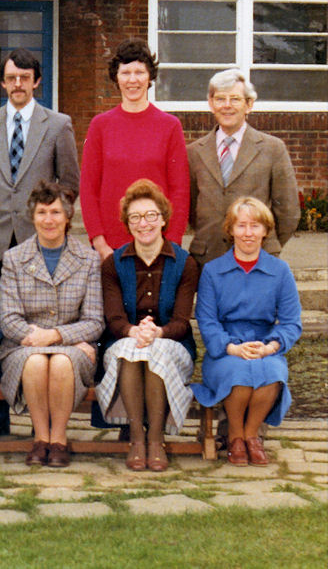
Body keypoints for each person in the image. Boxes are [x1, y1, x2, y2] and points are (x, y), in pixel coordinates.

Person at [0, 47, 80, 440]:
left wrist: (49, 220)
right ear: (2, 83)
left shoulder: (58, 124)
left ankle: (46, 417)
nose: (18, 85)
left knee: (39, 323)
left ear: (37, 81)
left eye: (25, 78)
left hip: (41, 241)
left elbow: (69, 183)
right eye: (11, 78)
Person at [0, 181, 104, 468]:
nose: (49, 220)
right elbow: (9, 320)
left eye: (56, 212)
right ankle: (40, 439)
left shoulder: (89, 260)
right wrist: (42, 339)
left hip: (71, 348)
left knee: (59, 362)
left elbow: (94, 321)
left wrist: (55, 336)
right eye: (42, 212)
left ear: (68, 216)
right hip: (23, 345)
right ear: (32, 217)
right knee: (34, 362)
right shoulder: (14, 259)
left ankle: (59, 439)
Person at [95, 180, 199, 471]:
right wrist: (135, 331)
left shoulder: (185, 263)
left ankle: (155, 438)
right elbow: (114, 320)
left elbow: (181, 322)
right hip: (126, 341)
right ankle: (137, 439)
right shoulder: (113, 264)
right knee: (131, 351)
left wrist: (157, 332)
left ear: (163, 218)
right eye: (136, 217)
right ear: (127, 224)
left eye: (151, 215)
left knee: (155, 352)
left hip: (173, 344)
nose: (144, 223)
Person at [191, 197, 301, 467]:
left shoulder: (280, 271)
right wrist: (231, 348)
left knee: (273, 372)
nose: (248, 233)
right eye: (241, 226)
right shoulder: (213, 272)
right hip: (225, 349)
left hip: (265, 344)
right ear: (230, 230)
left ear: (266, 230)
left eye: (255, 226)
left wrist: (271, 347)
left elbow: (291, 322)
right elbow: (207, 321)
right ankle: (236, 437)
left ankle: (252, 435)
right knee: (237, 372)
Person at [80, 38, 189, 260]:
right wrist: (100, 243)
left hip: (157, 245)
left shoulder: (170, 126)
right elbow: (88, 188)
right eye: (125, 73)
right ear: (116, 77)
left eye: (139, 72)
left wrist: (172, 243)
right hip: (111, 248)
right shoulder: (100, 125)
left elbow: (180, 190)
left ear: (150, 77)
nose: (132, 80)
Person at [187, 68, 300, 266]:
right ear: (211, 104)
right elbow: (192, 208)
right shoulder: (194, 152)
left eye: (235, 99)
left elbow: (288, 210)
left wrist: (264, 242)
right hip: (207, 258)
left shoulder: (272, 148)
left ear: (249, 104)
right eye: (220, 99)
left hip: (258, 257)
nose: (227, 106)